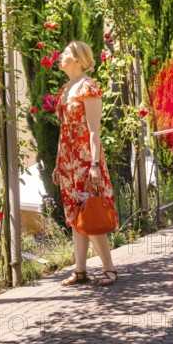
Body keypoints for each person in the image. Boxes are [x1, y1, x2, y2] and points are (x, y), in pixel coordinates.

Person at [52, 40, 119, 286]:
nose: (61, 55)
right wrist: (58, 163)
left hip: (84, 161)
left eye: (66, 53)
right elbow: (63, 130)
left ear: (78, 59)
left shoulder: (87, 87)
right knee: (74, 215)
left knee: (89, 213)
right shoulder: (66, 88)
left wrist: (94, 164)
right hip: (68, 162)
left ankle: (109, 269)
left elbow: (94, 131)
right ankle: (80, 271)